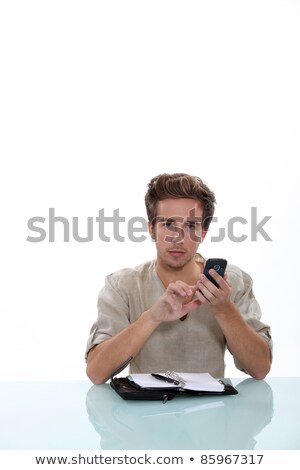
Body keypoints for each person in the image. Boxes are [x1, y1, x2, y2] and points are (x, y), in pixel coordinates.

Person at [85, 173, 272, 384]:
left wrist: (224, 309)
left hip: (211, 413)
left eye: (191, 226)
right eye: (167, 224)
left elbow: (260, 368)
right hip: (145, 414)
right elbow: (96, 372)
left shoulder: (231, 283)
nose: (178, 237)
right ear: (151, 229)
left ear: (203, 233)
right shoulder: (122, 286)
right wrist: (151, 318)